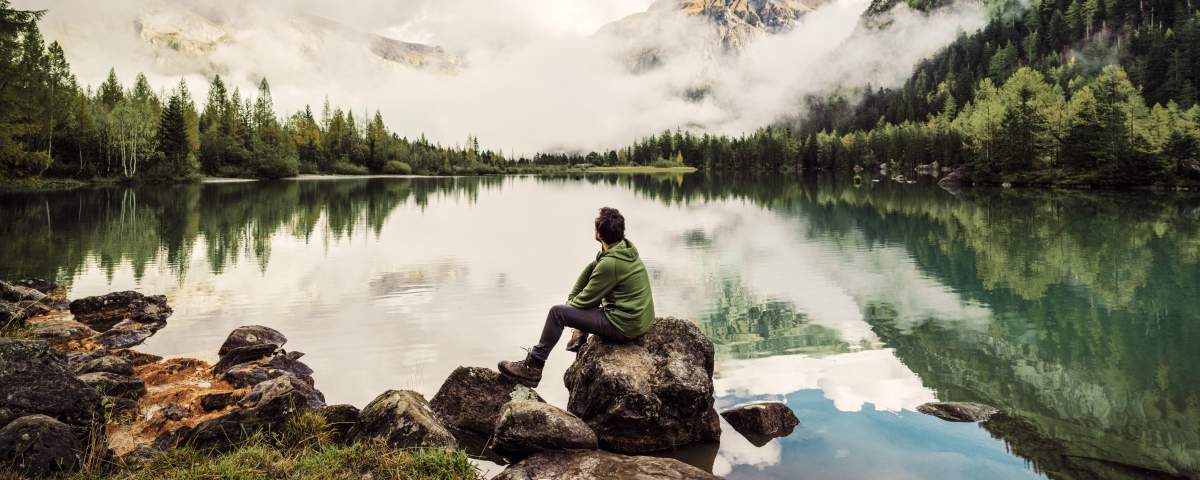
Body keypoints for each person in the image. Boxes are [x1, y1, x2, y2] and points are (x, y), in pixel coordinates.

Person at [499, 207, 656, 387]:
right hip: (639, 320)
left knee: (557, 313)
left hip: (624, 326)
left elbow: (585, 302)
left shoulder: (610, 264)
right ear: (621, 232)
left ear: (598, 234)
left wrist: (572, 315)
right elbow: (593, 269)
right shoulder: (625, 249)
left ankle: (534, 366)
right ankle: (575, 336)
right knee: (570, 310)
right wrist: (575, 312)